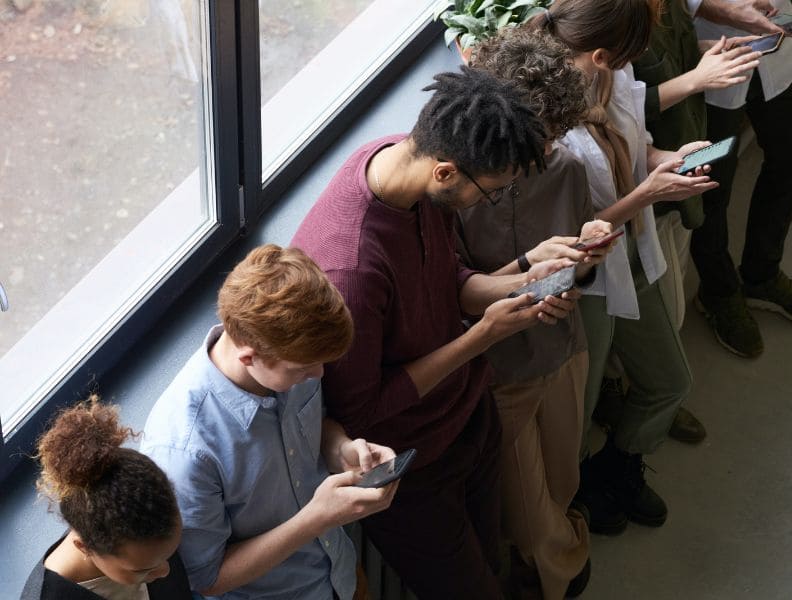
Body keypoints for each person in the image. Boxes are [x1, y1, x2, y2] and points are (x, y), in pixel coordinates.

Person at [292, 66, 580, 599]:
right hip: (411, 470)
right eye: (489, 194)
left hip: (469, 415)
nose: (486, 203)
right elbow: (361, 412)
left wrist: (521, 277)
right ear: (446, 173)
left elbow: (444, 278)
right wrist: (482, 337)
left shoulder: (408, 164)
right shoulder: (350, 271)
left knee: (491, 557)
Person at [531, 0, 718, 532]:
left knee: (670, 381)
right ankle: (578, 494)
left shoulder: (613, 73)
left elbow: (640, 143)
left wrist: (668, 160)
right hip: (585, 282)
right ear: (597, 54)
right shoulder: (546, 120)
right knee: (579, 410)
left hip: (633, 253)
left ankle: (617, 465)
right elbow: (569, 237)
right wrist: (646, 195)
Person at [141, 244, 397, 600]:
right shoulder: (184, 448)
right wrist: (317, 518)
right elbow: (207, 578)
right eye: (304, 369)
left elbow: (318, 426)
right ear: (249, 356)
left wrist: (342, 448)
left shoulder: (290, 361)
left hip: (340, 572)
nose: (318, 374)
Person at [461, 28, 613, 599]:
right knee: (524, 509)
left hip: (563, 347)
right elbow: (452, 293)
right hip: (499, 371)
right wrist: (523, 276)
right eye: (542, 135)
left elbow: (576, 264)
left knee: (564, 477)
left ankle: (555, 561)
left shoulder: (566, 169)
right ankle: (561, 568)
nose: (550, 146)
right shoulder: (461, 189)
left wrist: (587, 259)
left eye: (558, 133)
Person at [595, 0, 763, 444]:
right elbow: (630, 102)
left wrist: (710, 54)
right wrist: (696, 79)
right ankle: (635, 395)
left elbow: (633, 103)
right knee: (657, 306)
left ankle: (649, 392)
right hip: (637, 204)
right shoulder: (605, 28)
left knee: (671, 292)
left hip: (661, 168)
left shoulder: (651, 19)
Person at [689, 0, 792, 357]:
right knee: (710, 185)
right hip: (709, 63)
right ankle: (718, 291)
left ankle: (760, 276)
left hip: (781, 48)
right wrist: (711, 7)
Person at [21, 396, 191, 600]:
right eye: (141, 570)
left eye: (167, 554)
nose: (165, 571)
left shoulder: (151, 531)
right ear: (85, 547)